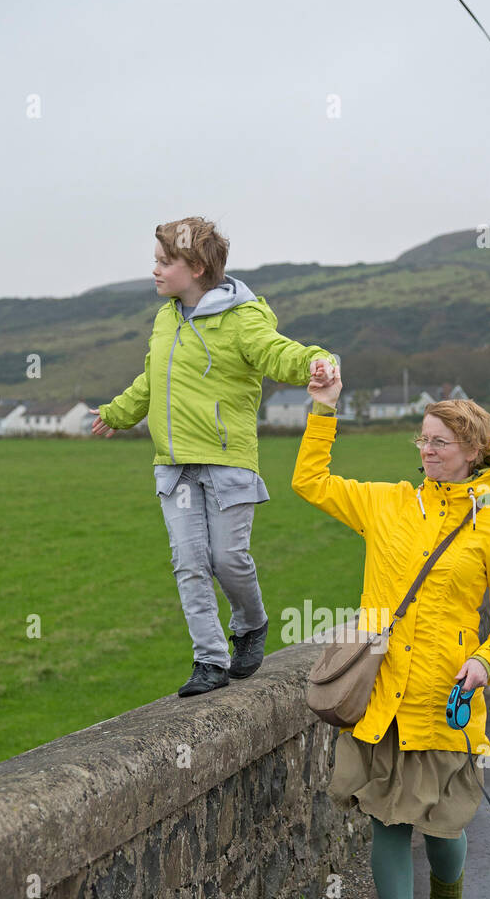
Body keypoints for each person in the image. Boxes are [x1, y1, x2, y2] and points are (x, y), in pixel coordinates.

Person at [293, 364, 490, 899]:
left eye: (438, 443)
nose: (425, 452)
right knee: (386, 825)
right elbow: (309, 481)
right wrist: (323, 408)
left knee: (445, 830)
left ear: (473, 452)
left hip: (446, 702)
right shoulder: (387, 502)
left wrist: (484, 662)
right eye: (421, 441)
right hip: (381, 699)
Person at [90, 216, 337, 696]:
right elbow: (151, 380)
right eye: (157, 260)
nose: (156, 270)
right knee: (189, 561)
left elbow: (276, 353)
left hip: (228, 461)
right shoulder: (165, 318)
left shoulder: (243, 318)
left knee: (227, 558)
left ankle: (251, 622)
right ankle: (209, 660)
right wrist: (119, 413)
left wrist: (315, 361)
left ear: (198, 267)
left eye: (166, 262)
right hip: (175, 466)